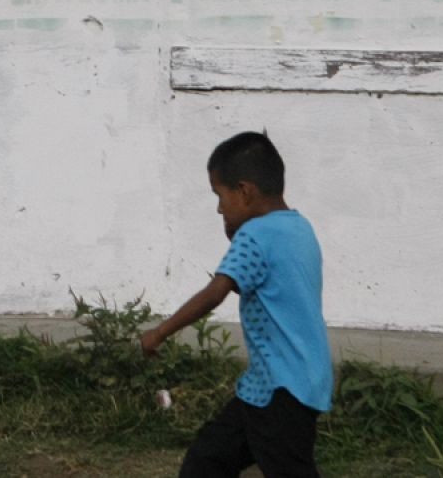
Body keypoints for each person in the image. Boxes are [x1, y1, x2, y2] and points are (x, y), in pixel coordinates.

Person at [140, 131, 332, 478]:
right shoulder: (299, 228)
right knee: (207, 461)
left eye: (219, 195)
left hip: (280, 389)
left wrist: (159, 332)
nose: (218, 207)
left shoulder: (255, 236)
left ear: (244, 191)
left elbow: (215, 293)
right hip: (284, 384)